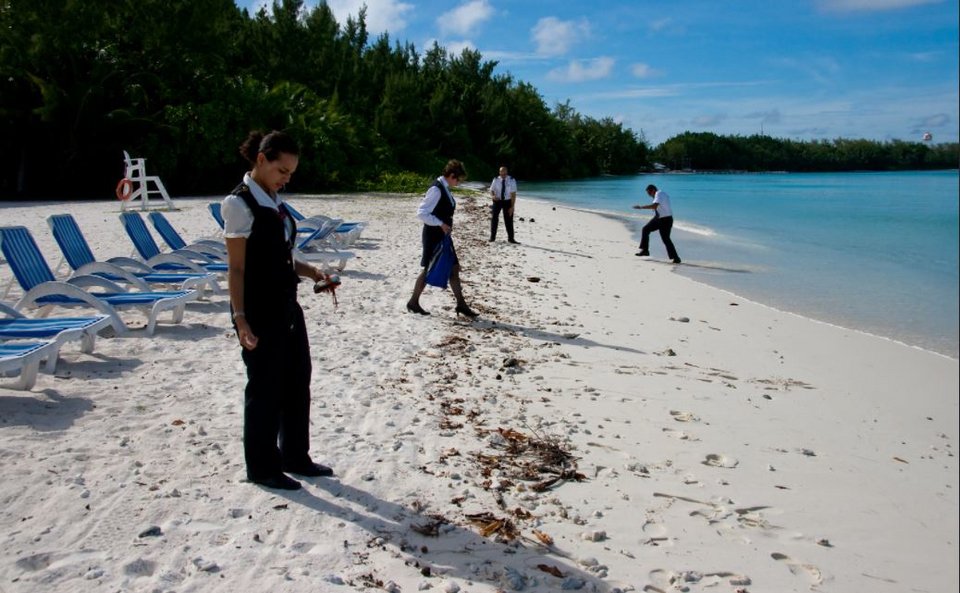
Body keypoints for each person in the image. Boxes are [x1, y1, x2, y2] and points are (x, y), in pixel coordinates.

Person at [222, 130, 335, 491]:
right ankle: (262, 467)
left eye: (290, 173)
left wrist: (313, 272)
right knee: (265, 387)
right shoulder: (238, 204)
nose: (286, 178)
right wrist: (240, 318)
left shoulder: (272, 199)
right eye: (282, 170)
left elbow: (283, 255)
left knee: (298, 380)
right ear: (261, 160)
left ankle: (295, 456)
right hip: (257, 308)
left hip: (287, 303)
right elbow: (236, 268)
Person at [406, 159, 479, 319]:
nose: (458, 183)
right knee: (429, 268)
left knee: (454, 268)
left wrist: (443, 226)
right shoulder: (436, 189)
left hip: (443, 236)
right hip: (433, 236)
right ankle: (413, 301)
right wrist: (440, 223)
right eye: (458, 180)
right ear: (452, 175)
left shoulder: (444, 188)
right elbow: (422, 213)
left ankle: (461, 304)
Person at [633, 184, 682, 264]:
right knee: (651, 232)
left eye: (649, 193)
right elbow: (658, 207)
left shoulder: (659, 194)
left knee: (661, 237)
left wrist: (641, 207)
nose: (649, 195)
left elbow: (654, 206)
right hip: (664, 218)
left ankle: (646, 250)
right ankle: (675, 258)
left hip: (664, 219)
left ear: (653, 190)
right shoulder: (660, 194)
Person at [488, 165, 518, 243]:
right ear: (499, 172)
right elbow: (491, 190)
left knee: (508, 220)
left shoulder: (512, 180)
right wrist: (493, 196)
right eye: (501, 173)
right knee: (494, 218)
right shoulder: (496, 180)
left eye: (504, 173)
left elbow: (513, 194)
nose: (503, 175)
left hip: (507, 201)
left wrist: (512, 207)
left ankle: (511, 239)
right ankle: (492, 237)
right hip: (497, 201)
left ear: (507, 172)